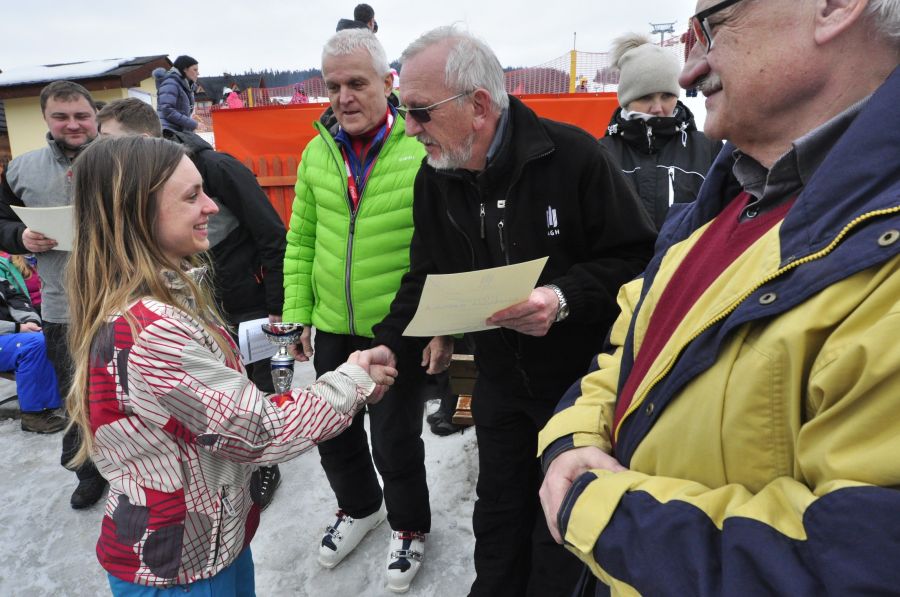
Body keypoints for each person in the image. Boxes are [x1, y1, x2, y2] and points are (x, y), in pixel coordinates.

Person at [539, 1, 900, 595]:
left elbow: (855, 562)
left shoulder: (876, 252)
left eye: (711, 26)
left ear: (835, 8)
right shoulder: (718, 205)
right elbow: (626, 360)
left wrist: (595, 510)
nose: (685, 75)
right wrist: (572, 442)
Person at [366, 26, 657, 597]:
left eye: (420, 112)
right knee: (498, 513)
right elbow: (427, 276)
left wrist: (563, 298)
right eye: (403, 109)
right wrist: (390, 344)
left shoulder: (572, 156)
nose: (408, 127)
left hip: (579, 388)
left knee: (561, 525)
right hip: (501, 383)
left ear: (477, 106)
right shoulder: (435, 177)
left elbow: (638, 258)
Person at [65, 135, 397, 594]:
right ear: (139, 213)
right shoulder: (150, 329)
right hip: (179, 567)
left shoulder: (166, 298)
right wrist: (353, 379)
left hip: (209, 542)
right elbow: (258, 431)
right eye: (191, 196)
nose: (212, 207)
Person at [282, 28, 432, 593]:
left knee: (394, 439)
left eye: (356, 83)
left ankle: (410, 526)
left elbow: (438, 248)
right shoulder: (317, 150)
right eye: (333, 85)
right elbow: (300, 239)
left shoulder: (418, 148)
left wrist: (440, 331)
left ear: (387, 84)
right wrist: (299, 313)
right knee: (333, 431)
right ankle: (360, 508)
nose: (343, 97)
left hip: (395, 327)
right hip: (332, 326)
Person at [96, 97, 289, 510]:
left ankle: (263, 464)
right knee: (209, 390)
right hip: (192, 304)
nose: (106, 155)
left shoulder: (215, 168)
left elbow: (272, 234)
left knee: (253, 385)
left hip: (243, 303)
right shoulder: (128, 197)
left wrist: (276, 305)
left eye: (115, 143)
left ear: (147, 141)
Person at [0, 80, 108, 508]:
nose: (73, 125)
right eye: (61, 117)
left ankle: (139, 470)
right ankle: (88, 472)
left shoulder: (122, 158)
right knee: (74, 393)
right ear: (46, 119)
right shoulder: (20, 169)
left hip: (124, 298)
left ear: (94, 115)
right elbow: (1, 223)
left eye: (81, 115)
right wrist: (20, 236)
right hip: (62, 305)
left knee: (130, 388)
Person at [599, 33, 722, 228]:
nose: (658, 108)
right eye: (646, 97)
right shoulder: (601, 154)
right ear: (626, 100)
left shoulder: (708, 148)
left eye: (666, 96)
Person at [0, 276, 63, 433]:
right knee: (35, 344)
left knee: (55, 334)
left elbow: (18, 300)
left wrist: (31, 322)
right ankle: (34, 414)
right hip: (10, 333)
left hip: (11, 335)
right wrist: (17, 328)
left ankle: (62, 398)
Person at [153, 55, 200, 132]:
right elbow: (167, 110)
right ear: (185, 69)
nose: (198, 73)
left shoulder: (186, 86)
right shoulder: (171, 83)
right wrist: (193, 124)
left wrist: (190, 121)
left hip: (178, 131)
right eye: (195, 70)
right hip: (169, 132)